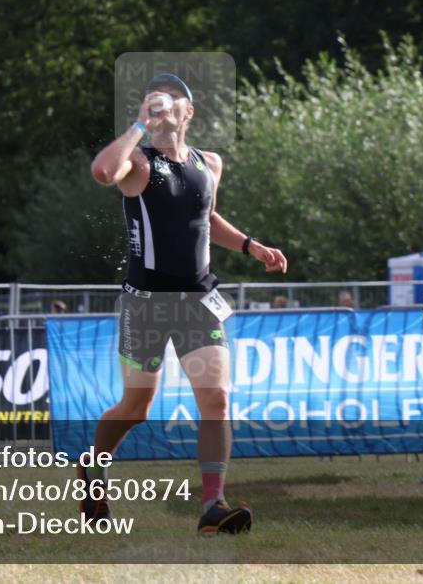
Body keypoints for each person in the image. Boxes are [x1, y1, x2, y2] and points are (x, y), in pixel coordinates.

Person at [85, 72, 287, 535]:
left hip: (198, 298)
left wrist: (250, 246)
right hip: (146, 303)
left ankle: (213, 506)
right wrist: (139, 123)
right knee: (137, 407)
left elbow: (205, 214)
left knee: (216, 399)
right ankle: (94, 470)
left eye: (169, 101)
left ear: (188, 112)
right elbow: (101, 172)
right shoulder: (136, 162)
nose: (160, 106)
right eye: (151, 100)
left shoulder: (209, 162)